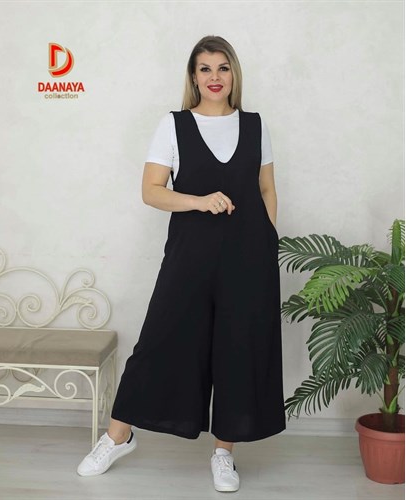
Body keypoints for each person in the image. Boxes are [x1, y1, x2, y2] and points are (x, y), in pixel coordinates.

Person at [77, 35, 285, 493]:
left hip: (248, 257)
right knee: (159, 338)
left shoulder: (255, 125)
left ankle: (224, 453)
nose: (215, 77)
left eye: (223, 67)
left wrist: (266, 240)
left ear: (234, 74)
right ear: (193, 76)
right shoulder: (174, 125)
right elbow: (151, 190)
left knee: (236, 350)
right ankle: (118, 435)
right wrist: (198, 200)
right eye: (205, 68)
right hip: (190, 254)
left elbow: (267, 189)